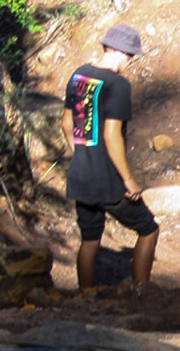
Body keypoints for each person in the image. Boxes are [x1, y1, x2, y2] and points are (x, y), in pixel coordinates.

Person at [64, 22, 158, 293]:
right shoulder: (118, 85)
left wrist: (81, 155)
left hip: (81, 176)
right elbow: (111, 135)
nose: (131, 61)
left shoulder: (79, 75)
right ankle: (142, 292)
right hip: (108, 181)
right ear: (120, 52)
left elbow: (66, 123)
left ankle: (86, 297)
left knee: (90, 240)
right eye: (131, 56)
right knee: (148, 229)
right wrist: (128, 180)